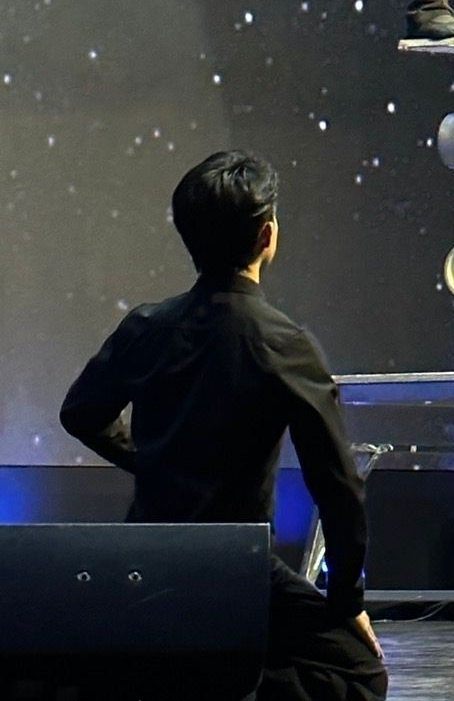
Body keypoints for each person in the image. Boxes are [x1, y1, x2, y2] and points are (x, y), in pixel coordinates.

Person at [59, 151, 388, 701]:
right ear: (267, 235)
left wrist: (147, 460)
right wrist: (346, 600)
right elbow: (338, 486)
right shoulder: (284, 344)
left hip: (144, 563)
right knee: (360, 675)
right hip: (239, 570)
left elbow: (80, 413)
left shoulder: (146, 327)